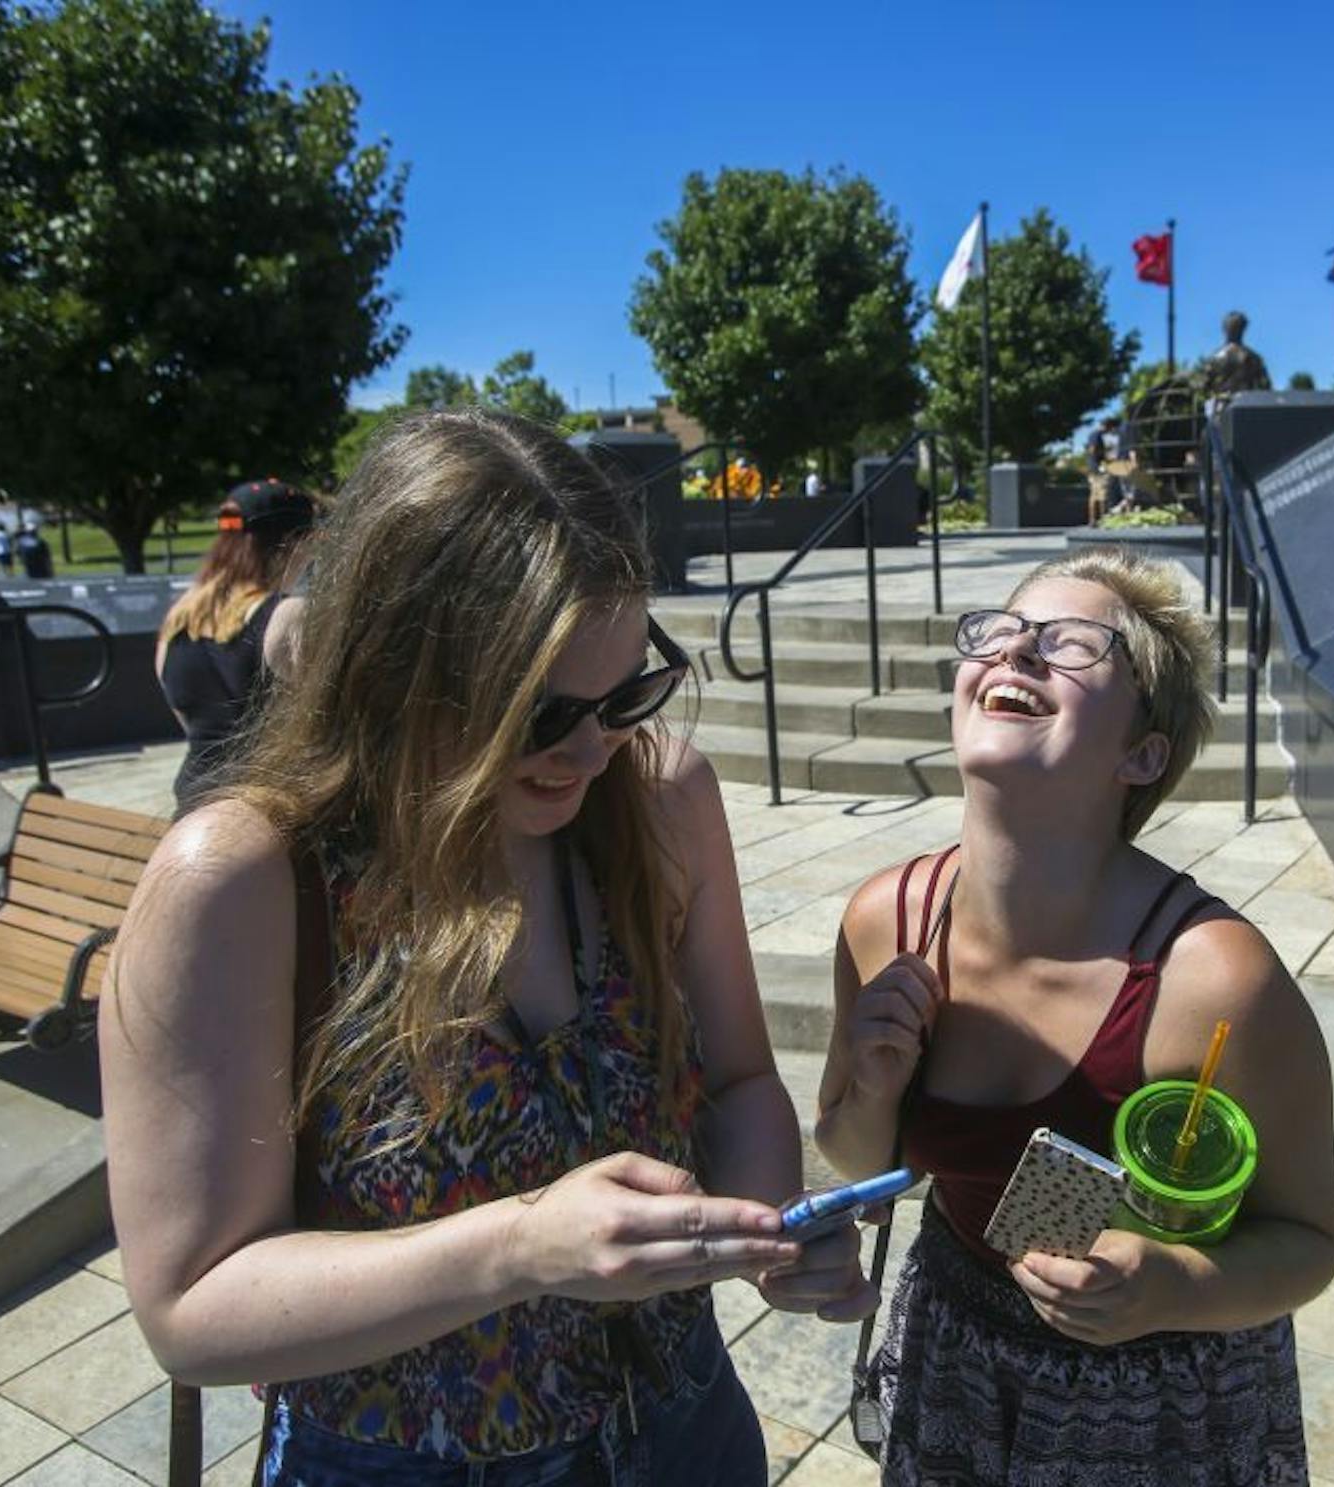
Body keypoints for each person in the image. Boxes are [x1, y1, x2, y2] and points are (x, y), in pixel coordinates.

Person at [102, 409, 873, 1486]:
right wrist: (518, 1245)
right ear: (391, 670)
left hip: (684, 1425)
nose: (596, 749)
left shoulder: (659, 800)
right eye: (541, 715)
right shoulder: (245, 881)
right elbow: (191, 1305)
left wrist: (759, 1227)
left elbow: (741, 1078)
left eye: (624, 694)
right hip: (401, 1461)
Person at [815, 549, 1334, 1484]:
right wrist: (874, 1079)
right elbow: (858, 1158)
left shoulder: (1215, 981)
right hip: (960, 1359)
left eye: (1070, 645)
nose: (1017, 653)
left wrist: (1169, 1286)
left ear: (1142, 752)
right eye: (1002, 631)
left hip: (1163, 1402)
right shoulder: (883, 922)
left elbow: (1310, 1241)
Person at [155, 480, 320, 807]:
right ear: (292, 544)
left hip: (194, 801)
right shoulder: (286, 616)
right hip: (264, 809)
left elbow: (186, 716)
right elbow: (321, 721)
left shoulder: (180, 617)